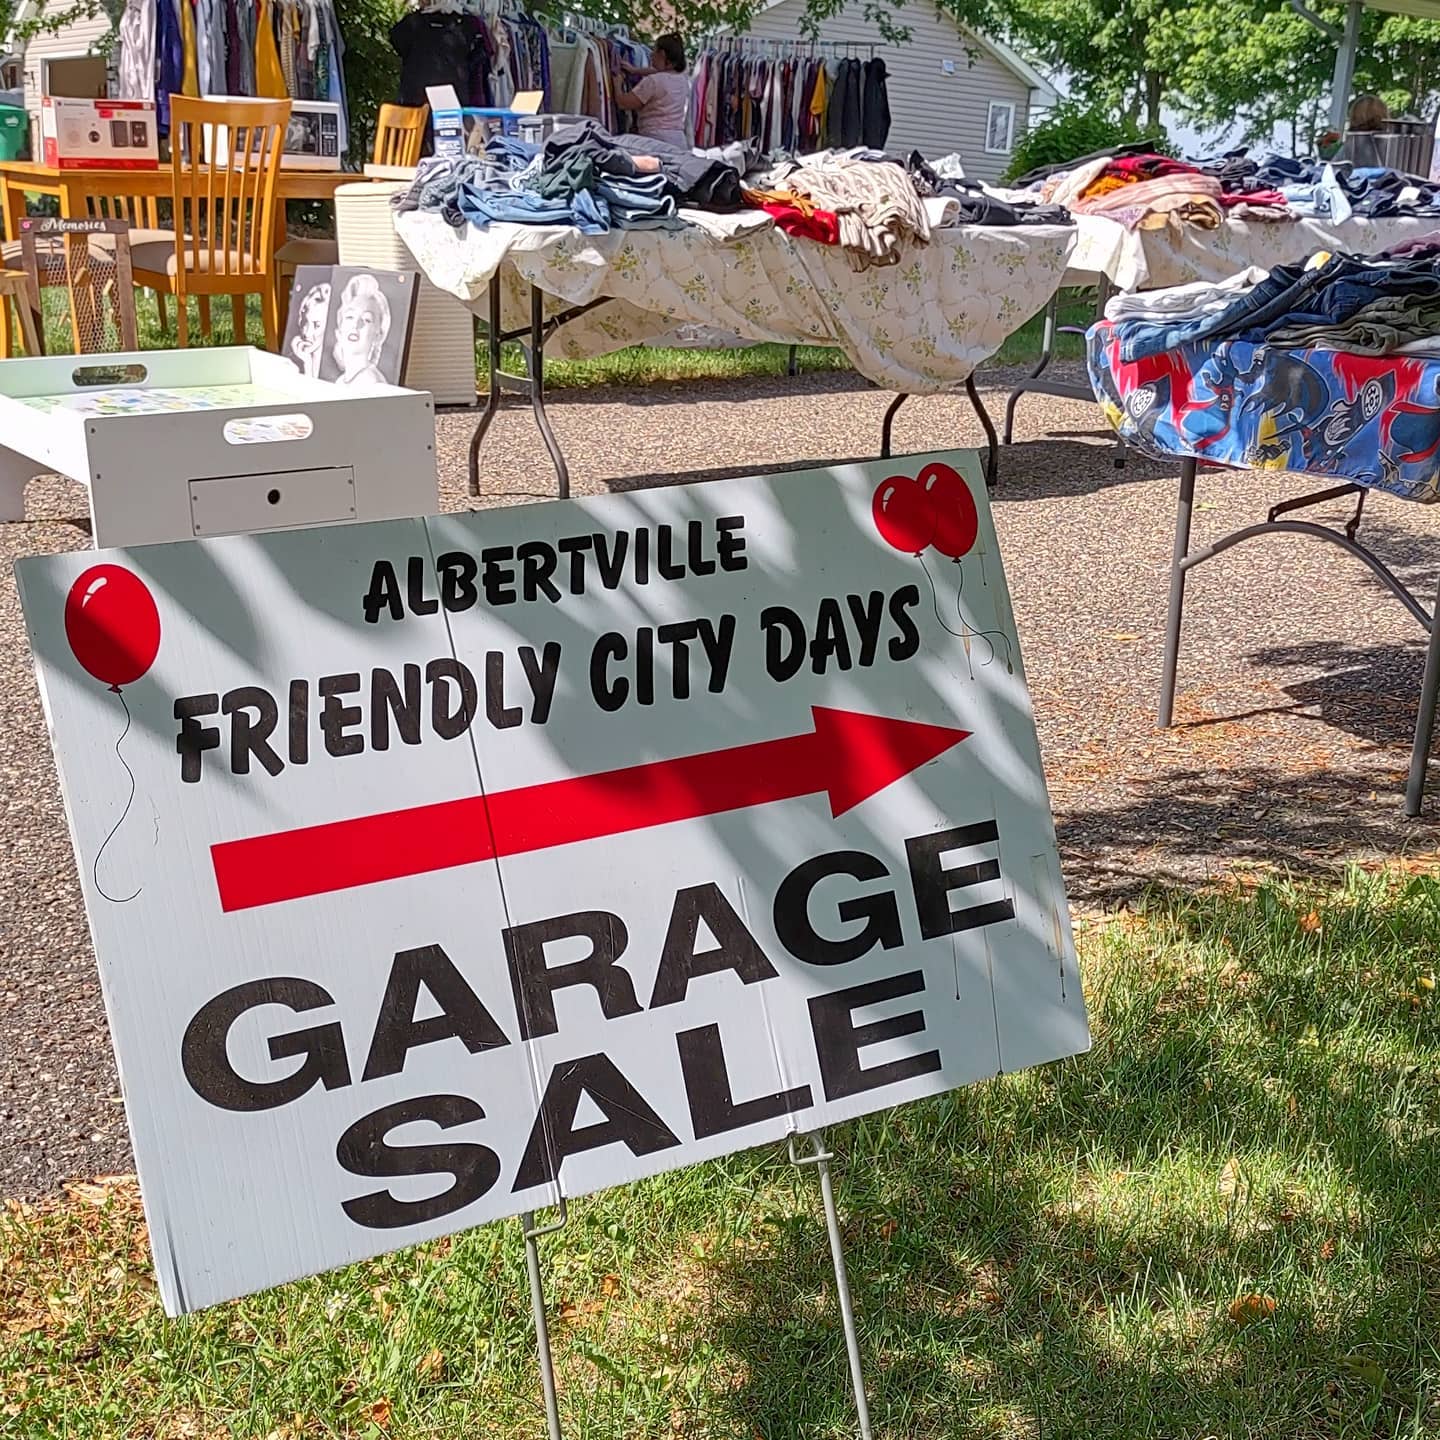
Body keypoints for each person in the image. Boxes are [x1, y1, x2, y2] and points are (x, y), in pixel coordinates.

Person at [616, 33, 691, 150]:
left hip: (655, 143)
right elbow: (655, 71)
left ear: (662, 54)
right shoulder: (682, 78)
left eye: (654, 51)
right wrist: (635, 70)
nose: (651, 55)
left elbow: (623, 103)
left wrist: (617, 83)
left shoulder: (653, 82)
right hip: (678, 141)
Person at [330, 273, 391, 386]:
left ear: (378, 335)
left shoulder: (373, 383)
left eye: (367, 319)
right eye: (350, 317)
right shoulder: (340, 381)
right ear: (339, 330)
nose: (356, 324)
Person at [287, 282, 329, 379]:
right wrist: (307, 362)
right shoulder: (291, 364)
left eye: (317, 325)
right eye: (305, 321)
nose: (307, 332)